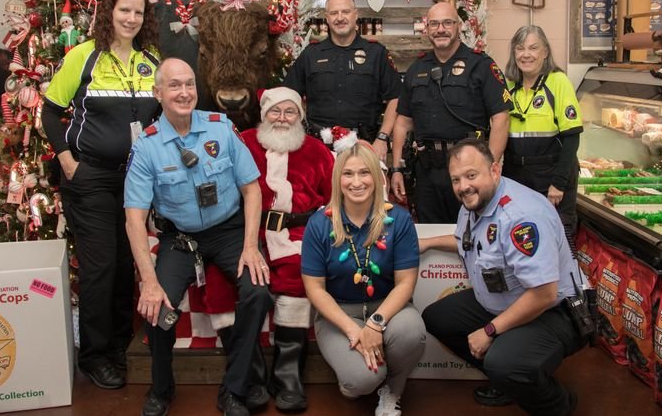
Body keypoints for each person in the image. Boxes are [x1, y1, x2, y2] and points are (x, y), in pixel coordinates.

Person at [123, 57, 272, 416]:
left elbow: (252, 190)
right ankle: (161, 388)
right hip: (181, 238)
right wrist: (148, 281)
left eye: (189, 84)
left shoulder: (221, 128)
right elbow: (134, 218)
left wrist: (251, 246)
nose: (185, 92)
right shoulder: (147, 146)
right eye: (174, 85)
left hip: (229, 231)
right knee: (158, 307)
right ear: (158, 92)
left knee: (257, 291)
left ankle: (234, 388)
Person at [42, 0, 161, 390]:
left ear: (146, 19)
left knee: (128, 265)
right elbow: (49, 111)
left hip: (135, 181)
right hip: (88, 177)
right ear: (109, 12)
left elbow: (159, 118)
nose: (131, 18)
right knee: (101, 267)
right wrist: (67, 161)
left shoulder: (151, 60)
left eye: (138, 12)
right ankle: (93, 356)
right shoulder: (83, 57)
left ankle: (118, 348)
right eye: (124, 10)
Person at [420, 139, 586, 415]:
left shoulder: (522, 218)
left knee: (503, 362)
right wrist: (427, 242)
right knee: (437, 317)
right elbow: (472, 241)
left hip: (555, 311)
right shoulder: (474, 202)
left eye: (471, 175)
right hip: (507, 301)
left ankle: (559, 405)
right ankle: (509, 383)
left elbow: (544, 293)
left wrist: (490, 331)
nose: (463, 186)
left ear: (494, 171)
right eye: (456, 179)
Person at [301, 141, 425, 416]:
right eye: (348, 174)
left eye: (364, 173)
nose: (356, 182)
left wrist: (375, 325)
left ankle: (393, 390)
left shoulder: (399, 219)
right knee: (362, 380)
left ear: (376, 177)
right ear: (338, 179)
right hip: (339, 314)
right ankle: (357, 380)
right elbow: (315, 288)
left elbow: (406, 282)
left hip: (388, 308)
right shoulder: (319, 223)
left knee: (411, 333)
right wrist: (353, 330)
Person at [241, 86, 334, 411]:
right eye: (275, 111)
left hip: (299, 231)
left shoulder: (317, 151)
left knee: (297, 275)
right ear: (264, 114)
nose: (282, 118)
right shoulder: (244, 143)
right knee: (235, 282)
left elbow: (333, 199)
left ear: (300, 116)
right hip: (250, 230)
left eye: (289, 111)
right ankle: (249, 375)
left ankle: (287, 375)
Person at [391, 2, 512, 223]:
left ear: (459, 26)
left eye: (447, 23)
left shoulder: (481, 65)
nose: (440, 29)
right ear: (426, 29)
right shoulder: (416, 69)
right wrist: (397, 168)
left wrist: (490, 167)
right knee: (431, 237)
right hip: (427, 172)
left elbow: (501, 119)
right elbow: (402, 123)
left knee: (473, 233)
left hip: (469, 171)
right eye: (434, 24)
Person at [283, 0, 401, 160]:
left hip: (364, 145)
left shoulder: (376, 53)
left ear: (355, 15)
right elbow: (289, 95)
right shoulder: (311, 54)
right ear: (327, 18)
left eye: (345, 12)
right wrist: (300, 128)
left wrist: (382, 138)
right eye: (334, 13)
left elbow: (395, 98)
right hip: (318, 147)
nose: (340, 18)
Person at [503, 25, 583, 246]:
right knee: (521, 240)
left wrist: (558, 183)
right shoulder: (508, 85)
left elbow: (571, 138)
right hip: (517, 178)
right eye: (520, 49)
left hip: (551, 180)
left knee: (557, 242)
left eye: (533, 48)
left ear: (545, 52)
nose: (525, 54)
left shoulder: (558, 82)